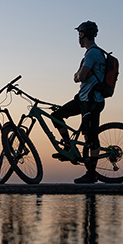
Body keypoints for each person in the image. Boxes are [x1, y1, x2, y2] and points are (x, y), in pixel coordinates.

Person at [52, 21, 107, 183]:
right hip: (83, 99)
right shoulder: (91, 53)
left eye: (79, 34)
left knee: (91, 137)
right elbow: (81, 76)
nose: (78, 38)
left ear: (83, 34)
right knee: (57, 116)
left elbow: (80, 77)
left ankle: (91, 174)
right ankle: (68, 146)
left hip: (92, 102)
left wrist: (77, 75)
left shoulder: (93, 54)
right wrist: (79, 75)